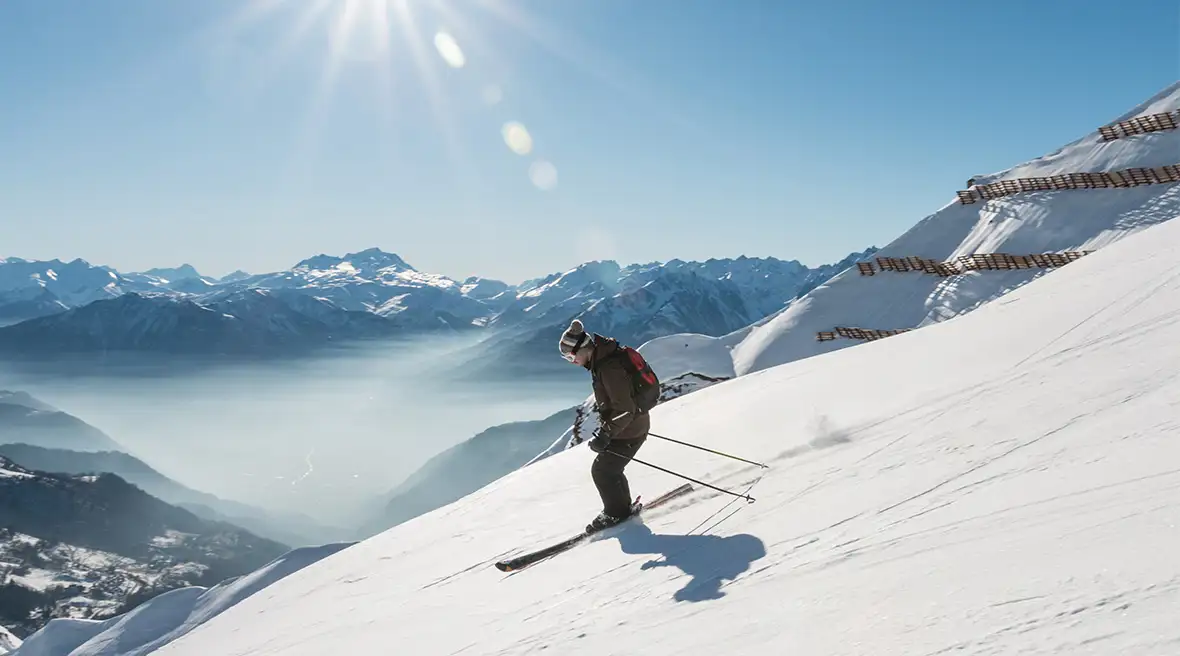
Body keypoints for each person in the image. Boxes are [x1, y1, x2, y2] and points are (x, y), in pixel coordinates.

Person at [558, 319, 652, 532]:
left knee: (602, 470)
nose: (571, 362)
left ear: (582, 348)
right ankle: (621, 508)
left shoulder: (608, 367)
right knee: (610, 468)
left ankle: (616, 513)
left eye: (571, 356)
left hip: (629, 429)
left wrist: (604, 435)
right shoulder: (603, 360)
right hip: (630, 426)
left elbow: (625, 409)